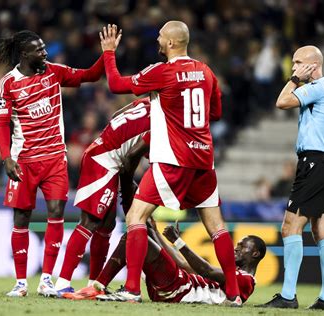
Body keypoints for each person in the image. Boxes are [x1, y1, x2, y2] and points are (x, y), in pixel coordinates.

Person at [98, 23, 241, 305]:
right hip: (203, 159)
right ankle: (234, 294)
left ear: (173, 43)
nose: (158, 39)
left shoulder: (162, 72)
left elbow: (116, 85)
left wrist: (109, 53)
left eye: (161, 36)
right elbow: (216, 111)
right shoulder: (206, 71)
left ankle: (131, 290)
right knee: (217, 227)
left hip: (173, 159)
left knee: (135, 218)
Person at [0, 30, 108, 297]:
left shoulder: (54, 73)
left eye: (45, 48)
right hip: (24, 160)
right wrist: (6, 157)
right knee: (21, 217)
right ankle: (21, 283)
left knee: (56, 213)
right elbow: (1, 124)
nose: (45, 53)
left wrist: (108, 53)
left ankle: (46, 280)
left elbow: (90, 75)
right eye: (40, 50)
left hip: (55, 158)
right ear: (24, 54)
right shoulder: (8, 83)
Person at [257, 45, 324, 310]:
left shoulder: (317, 86)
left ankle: (288, 295)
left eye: (298, 63)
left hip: (315, 164)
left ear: (312, 65)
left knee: (290, 227)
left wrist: (294, 80)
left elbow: (282, 102)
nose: (293, 68)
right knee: (322, 230)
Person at [53, 98, 151, 297]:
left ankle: (94, 284)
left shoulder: (145, 103)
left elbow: (116, 116)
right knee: (90, 221)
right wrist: (127, 188)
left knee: (107, 225)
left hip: (103, 155)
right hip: (103, 161)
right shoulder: (163, 121)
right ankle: (62, 282)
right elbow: (131, 157)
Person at [68, 219, 265, 305]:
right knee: (138, 234)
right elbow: (184, 265)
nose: (235, 248)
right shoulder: (233, 273)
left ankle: (101, 287)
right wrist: (157, 233)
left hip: (178, 290)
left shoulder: (246, 281)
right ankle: (102, 286)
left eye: (242, 246)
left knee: (136, 237)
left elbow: (204, 270)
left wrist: (179, 241)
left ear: (255, 254)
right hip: (174, 286)